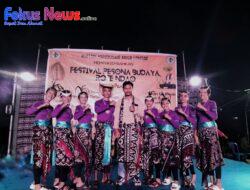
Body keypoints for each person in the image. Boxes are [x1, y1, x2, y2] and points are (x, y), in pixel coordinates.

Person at [26, 86, 57, 190]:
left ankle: (37, 181)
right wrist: (42, 105)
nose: (51, 95)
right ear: (46, 93)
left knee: (45, 158)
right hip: (38, 134)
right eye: (50, 93)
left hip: (48, 134)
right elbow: (28, 112)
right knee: (38, 157)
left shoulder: (52, 108)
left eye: (53, 95)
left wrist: (52, 136)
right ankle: (37, 185)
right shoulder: (38, 103)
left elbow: (50, 124)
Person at [114, 81, 144, 187]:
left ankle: (135, 176)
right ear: (123, 89)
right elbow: (116, 116)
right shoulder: (119, 102)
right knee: (121, 154)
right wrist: (116, 129)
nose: (127, 90)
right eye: (125, 88)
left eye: (129, 88)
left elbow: (142, 115)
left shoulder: (138, 101)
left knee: (135, 154)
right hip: (122, 129)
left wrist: (135, 111)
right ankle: (121, 176)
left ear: (132, 88)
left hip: (134, 129)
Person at [195, 86, 224, 190]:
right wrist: (196, 136)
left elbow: (214, 117)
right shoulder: (197, 106)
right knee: (206, 158)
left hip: (211, 133)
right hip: (202, 134)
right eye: (200, 93)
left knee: (215, 157)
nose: (202, 95)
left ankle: (219, 183)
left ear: (208, 94)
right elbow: (196, 122)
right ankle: (212, 183)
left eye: (204, 93)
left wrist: (203, 108)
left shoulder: (212, 103)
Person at [93, 83, 115, 188]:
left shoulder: (115, 103)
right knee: (98, 152)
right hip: (100, 129)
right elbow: (98, 111)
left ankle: (107, 177)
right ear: (102, 92)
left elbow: (113, 117)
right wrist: (109, 106)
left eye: (109, 91)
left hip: (109, 129)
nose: (107, 92)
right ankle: (96, 178)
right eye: (105, 90)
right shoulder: (98, 102)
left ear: (111, 92)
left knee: (109, 152)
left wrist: (114, 130)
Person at [52, 90, 74, 190]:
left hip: (68, 133)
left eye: (69, 97)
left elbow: (70, 121)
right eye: (64, 97)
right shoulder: (58, 106)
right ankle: (59, 178)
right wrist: (63, 105)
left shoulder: (70, 109)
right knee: (60, 157)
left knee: (66, 158)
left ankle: (62, 180)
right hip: (60, 134)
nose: (67, 99)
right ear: (61, 98)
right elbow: (54, 114)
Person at [157, 97, 180, 190]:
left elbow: (177, 125)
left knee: (173, 160)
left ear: (170, 104)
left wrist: (169, 118)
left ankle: (176, 181)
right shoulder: (160, 114)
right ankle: (168, 177)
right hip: (163, 140)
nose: (165, 105)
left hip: (172, 139)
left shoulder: (174, 113)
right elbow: (158, 126)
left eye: (167, 103)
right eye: (163, 103)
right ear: (161, 105)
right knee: (165, 159)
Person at [175, 90, 197, 188]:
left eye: (185, 96)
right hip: (179, 133)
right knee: (181, 156)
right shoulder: (176, 108)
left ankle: (193, 175)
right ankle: (186, 177)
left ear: (188, 98)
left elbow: (193, 122)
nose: (183, 98)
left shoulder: (192, 108)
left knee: (187, 155)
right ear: (179, 98)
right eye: (181, 96)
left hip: (188, 132)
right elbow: (175, 122)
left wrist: (183, 114)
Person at [73, 91, 94, 189]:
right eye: (82, 97)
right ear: (79, 98)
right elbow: (76, 117)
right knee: (79, 157)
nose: (84, 99)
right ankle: (79, 179)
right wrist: (85, 109)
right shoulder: (78, 107)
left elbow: (90, 119)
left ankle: (79, 179)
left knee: (86, 158)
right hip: (80, 134)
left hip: (88, 134)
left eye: (85, 97)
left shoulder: (89, 109)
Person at [142, 94, 161, 188]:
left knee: (155, 155)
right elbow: (143, 124)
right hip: (146, 134)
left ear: (153, 102)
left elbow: (159, 122)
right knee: (147, 156)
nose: (148, 103)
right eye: (147, 101)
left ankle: (158, 177)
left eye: (150, 101)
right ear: (145, 102)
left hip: (154, 134)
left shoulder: (155, 110)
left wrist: (153, 115)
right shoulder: (144, 111)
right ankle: (149, 177)